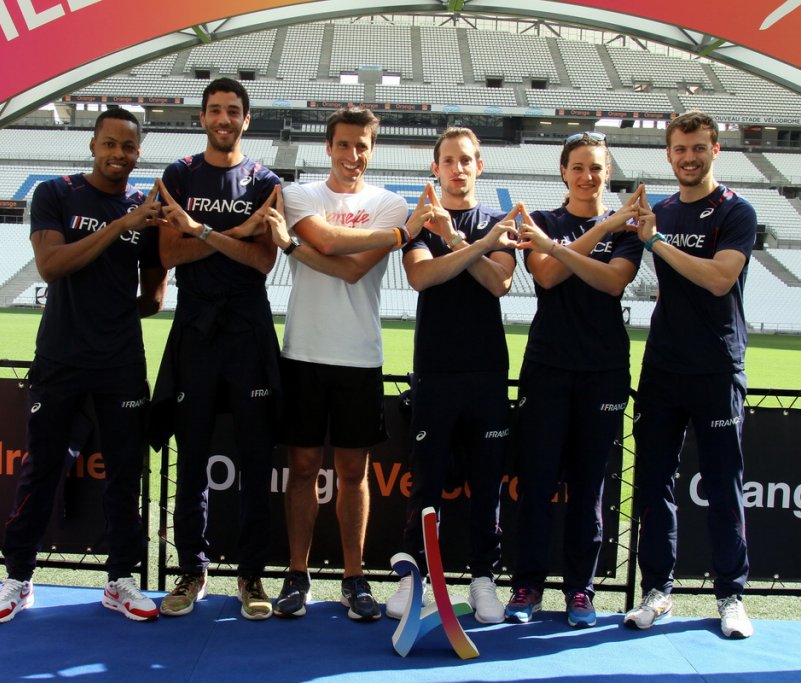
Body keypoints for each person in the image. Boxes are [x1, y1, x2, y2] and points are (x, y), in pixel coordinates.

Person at [0, 107, 167, 624]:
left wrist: (110, 316)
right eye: (109, 144)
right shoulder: (57, 193)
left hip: (121, 362)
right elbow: (51, 265)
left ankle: (120, 580)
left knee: (126, 474)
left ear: (137, 153)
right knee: (42, 469)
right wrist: (119, 226)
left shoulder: (144, 210)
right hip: (60, 357)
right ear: (92, 145)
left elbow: (152, 296)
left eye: (128, 147)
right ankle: (18, 578)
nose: (118, 155)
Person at [262, 108, 431, 621]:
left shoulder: (390, 203)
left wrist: (296, 245)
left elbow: (355, 270)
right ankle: (297, 574)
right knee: (303, 470)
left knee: (353, 473)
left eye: (362, 147)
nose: (352, 156)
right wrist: (394, 236)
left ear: (371, 149)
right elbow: (332, 243)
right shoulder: (300, 195)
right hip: (303, 353)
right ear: (328, 146)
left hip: (359, 355)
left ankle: (353, 579)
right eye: (344, 145)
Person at [148, 77, 283, 621]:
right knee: (192, 459)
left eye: (233, 111)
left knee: (256, 461)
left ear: (246, 120)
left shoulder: (266, 181)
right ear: (202, 118)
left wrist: (202, 232)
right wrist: (237, 233)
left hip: (249, 334)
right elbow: (167, 253)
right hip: (195, 334)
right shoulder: (178, 175)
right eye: (215, 110)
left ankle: (251, 575)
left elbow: (263, 261)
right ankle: (192, 571)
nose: (223, 119)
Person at [623, 110, 757, 639]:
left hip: (717, 366)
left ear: (715, 150)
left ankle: (731, 596)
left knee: (724, 486)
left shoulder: (736, 212)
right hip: (663, 367)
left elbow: (720, 279)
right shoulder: (661, 210)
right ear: (669, 154)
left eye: (698, 148)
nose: (688, 157)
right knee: (653, 483)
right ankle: (658, 590)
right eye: (680, 149)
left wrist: (656, 242)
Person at [507, 132, 643, 628]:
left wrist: (568, 248)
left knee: (589, 487)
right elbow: (544, 275)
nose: (589, 176)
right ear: (564, 172)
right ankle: (527, 586)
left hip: (603, 370)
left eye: (597, 168)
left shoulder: (628, 231)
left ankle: (580, 590)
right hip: (547, 367)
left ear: (607, 172)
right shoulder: (543, 222)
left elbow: (612, 281)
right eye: (579, 167)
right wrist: (597, 230)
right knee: (537, 482)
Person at [386, 127, 519, 624]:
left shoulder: (498, 221)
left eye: (466, 160)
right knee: (426, 482)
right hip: (436, 370)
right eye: (449, 160)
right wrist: (464, 243)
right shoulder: (418, 220)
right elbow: (423, 277)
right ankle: (413, 577)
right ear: (435, 167)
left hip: (486, 371)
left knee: (487, 483)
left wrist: (458, 239)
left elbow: (498, 282)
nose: (458, 168)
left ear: (478, 166)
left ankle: (483, 577)